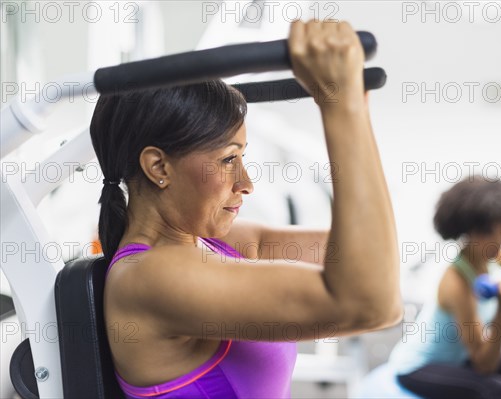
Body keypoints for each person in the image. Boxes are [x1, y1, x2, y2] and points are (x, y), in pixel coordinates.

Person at [89, 20, 402, 399]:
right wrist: (341, 111)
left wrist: (354, 107)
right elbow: (371, 304)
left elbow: (373, 261)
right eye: (227, 159)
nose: (246, 182)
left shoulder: (213, 243)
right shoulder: (152, 277)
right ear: (159, 167)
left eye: (243, 157)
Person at [388, 176, 501, 399]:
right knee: (494, 388)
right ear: (468, 230)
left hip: (461, 358)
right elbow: (484, 365)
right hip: (419, 367)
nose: (498, 241)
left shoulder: (492, 254)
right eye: (488, 232)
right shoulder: (456, 282)